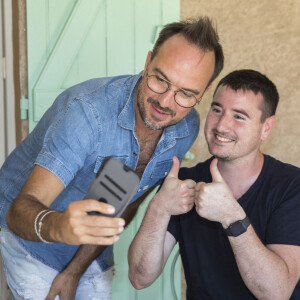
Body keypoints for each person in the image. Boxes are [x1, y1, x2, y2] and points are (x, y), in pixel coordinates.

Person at [0, 17, 224, 299]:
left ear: (203, 93)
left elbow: (125, 197)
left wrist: (75, 270)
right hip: (30, 237)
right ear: (147, 62)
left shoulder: (186, 128)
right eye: (160, 80)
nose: (166, 102)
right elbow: (18, 211)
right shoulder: (87, 113)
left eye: (186, 94)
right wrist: (58, 226)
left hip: (90, 246)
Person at [128, 69, 300, 299]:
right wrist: (159, 207)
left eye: (239, 116)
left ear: (266, 128)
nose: (221, 126)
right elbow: (140, 277)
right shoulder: (182, 181)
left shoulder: (292, 186)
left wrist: (231, 215)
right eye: (217, 110)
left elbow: (276, 292)